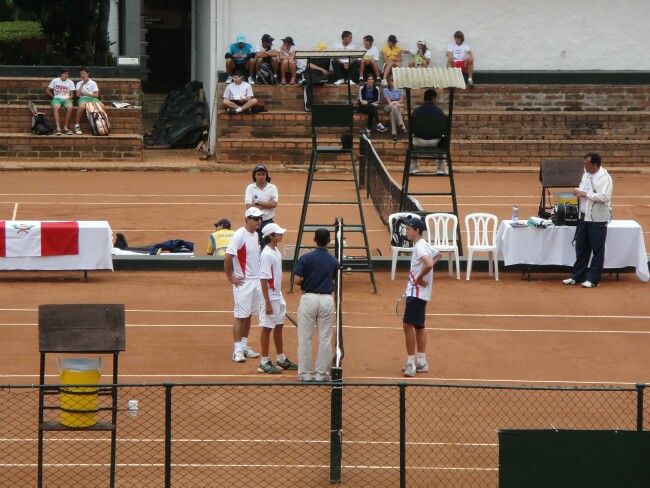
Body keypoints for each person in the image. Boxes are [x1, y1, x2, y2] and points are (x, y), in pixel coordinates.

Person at [294, 228, 339, 382]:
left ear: (314, 240)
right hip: (326, 300)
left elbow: (297, 280)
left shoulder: (306, 258)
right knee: (325, 338)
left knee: (305, 338)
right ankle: (321, 375)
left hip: (309, 299)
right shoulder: (334, 260)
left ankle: (305, 375)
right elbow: (334, 278)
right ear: (328, 241)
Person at [563, 152, 613, 288]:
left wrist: (586, 194)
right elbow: (583, 188)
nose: (584, 166)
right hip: (583, 216)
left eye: (587, 164)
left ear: (595, 165)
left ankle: (593, 279)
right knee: (581, 247)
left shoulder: (605, 178)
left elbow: (605, 197)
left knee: (597, 249)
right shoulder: (586, 174)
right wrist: (577, 191)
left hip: (597, 218)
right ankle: (578, 276)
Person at [401, 217, 441, 377]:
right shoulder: (423, 244)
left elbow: (430, 263)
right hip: (420, 293)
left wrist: (419, 278)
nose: (406, 231)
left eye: (408, 229)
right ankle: (422, 362)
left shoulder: (419, 247)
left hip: (416, 293)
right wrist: (423, 275)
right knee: (419, 326)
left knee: (407, 326)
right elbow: (438, 255)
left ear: (417, 230)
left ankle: (411, 363)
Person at [257, 223, 299, 374]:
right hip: (270, 296)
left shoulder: (276, 251)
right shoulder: (267, 254)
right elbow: (263, 279)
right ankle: (264, 362)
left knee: (279, 326)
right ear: (271, 236)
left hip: (277, 295)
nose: (282, 235)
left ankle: (281, 359)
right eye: (278, 233)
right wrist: (267, 302)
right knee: (267, 328)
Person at [224, 207, 264, 363]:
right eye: (255, 218)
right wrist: (231, 277)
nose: (259, 221)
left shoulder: (255, 235)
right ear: (246, 219)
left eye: (260, 218)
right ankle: (237, 350)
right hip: (243, 282)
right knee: (240, 316)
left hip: (255, 281)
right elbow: (228, 257)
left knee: (248, 315)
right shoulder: (239, 235)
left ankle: (245, 346)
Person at [410, 88, 446, 174]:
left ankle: (414, 168)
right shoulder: (439, 112)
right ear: (433, 98)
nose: (436, 100)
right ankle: (441, 169)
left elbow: (412, 130)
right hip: (435, 142)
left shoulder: (416, 111)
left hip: (419, 142)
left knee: (413, 138)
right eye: (436, 98)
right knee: (443, 139)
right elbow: (443, 130)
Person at [244, 164, 278, 244]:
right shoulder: (250, 188)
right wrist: (267, 204)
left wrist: (257, 203)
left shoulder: (272, 187)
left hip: (268, 221)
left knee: (270, 246)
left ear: (266, 175)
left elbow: (274, 204)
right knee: (252, 246)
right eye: (258, 174)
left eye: (263, 174)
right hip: (254, 221)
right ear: (255, 175)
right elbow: (248, 206)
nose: (261, 177)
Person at [73, 67, 105, 135]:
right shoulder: (79, 83)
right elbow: (78, 95)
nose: (82, 75)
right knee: (81, 107)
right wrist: (82, 84)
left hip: (92, 98)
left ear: (88, 73)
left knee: (102, 106)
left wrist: (87, 94)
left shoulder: (93, 83)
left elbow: (96, 95)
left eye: (83, 73)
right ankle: (77, 125)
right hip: (83, 99)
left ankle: (100, 124)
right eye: (81, 74)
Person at [46, 67, 76, 135]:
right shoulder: (55, 81)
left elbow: (72, 95)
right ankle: (58, 128)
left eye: (67, 74)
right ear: (61, 74)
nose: (66, 75)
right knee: (56, 107)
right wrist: (54, 96)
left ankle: (65, 127)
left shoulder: (70, 82)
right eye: (65, 73)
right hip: (57, 98)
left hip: (67, 98)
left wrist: (68, 98)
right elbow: (47, 91)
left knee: (70, 107)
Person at [382, 75, 406, 141]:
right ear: (389, 82)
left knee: (392, 113)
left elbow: (401, 100)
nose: (393, 83)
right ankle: (401, 124)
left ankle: (394, 134)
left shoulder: (400, 89)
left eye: (395, 81)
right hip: (388, 106)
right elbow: (389, 102)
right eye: (392, 81)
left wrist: (395, 102)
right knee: (394, 107)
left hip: (397, 106)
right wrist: (396, 104)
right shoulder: (386, 90)